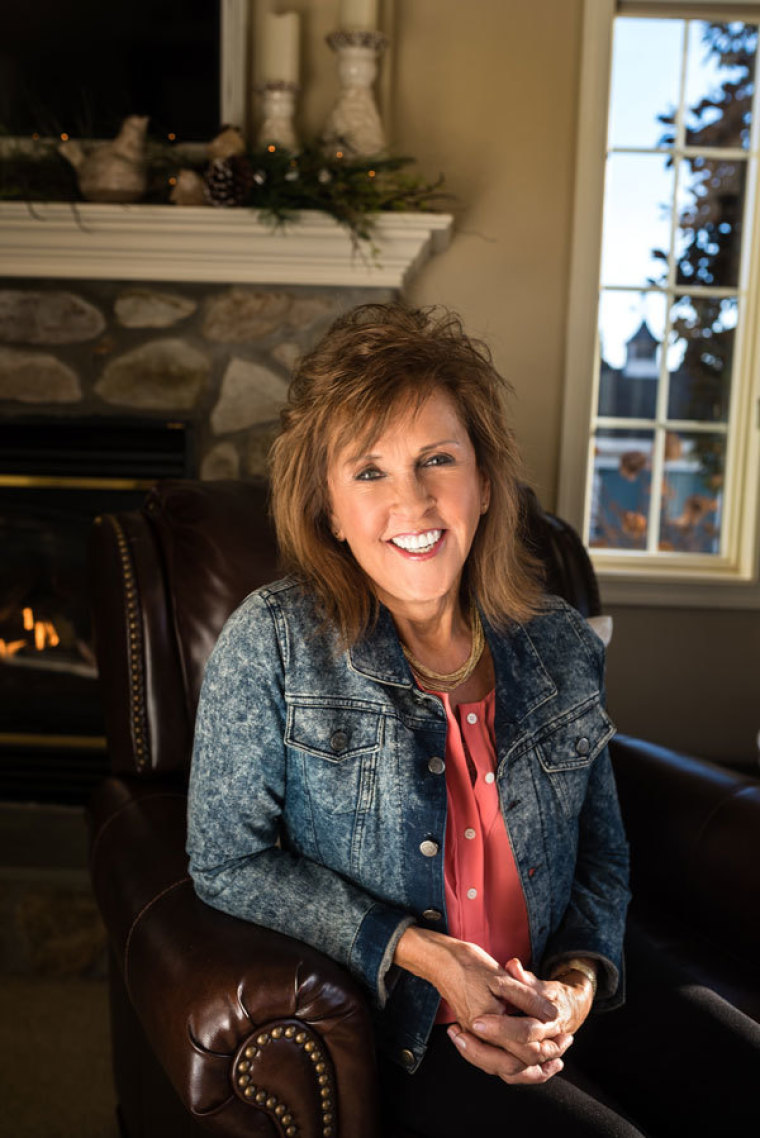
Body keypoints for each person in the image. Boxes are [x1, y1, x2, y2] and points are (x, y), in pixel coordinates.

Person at [187, 303, 637, 1136]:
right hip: (414, 1040)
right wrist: (424, 953)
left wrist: (572, 992)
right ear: (328, 508)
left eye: (438, 459)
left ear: (485, 482)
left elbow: (603, 857)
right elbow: (227, 861)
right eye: (370, 472)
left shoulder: (561, 644)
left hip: (566, 1011)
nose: (413, 501)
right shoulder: (273, 643)